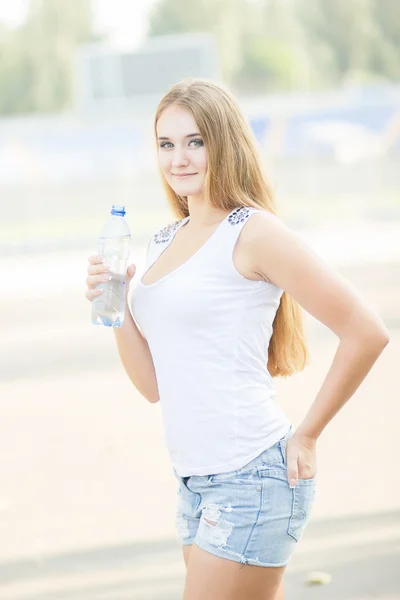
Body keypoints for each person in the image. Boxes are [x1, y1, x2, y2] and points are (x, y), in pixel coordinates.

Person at [85, 78, 390, 600]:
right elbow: (152, 386)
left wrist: (309, 433)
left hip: (251, 477)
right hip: (194, 483)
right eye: (166, 144)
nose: (178, 158)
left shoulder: (253, 231)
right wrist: (112, 305)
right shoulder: (163, 241)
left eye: (195, 141)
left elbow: (366, 332)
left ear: (224, 142)